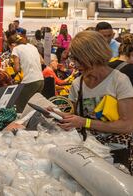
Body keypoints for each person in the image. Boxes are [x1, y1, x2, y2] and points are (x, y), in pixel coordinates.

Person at [55, 31, 133, 172]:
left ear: (92, 56)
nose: (74, 64)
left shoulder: (119, 81)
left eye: (78, 59)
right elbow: (74, 118)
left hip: (115, 154)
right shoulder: (77, 84)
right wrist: (57, 114)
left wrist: (86, 122)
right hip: (86, 153)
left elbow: (127, 125)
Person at [9, 34, 44, 112]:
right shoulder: (32, 46)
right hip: (40, 80)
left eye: (10, 47)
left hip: (30, 81)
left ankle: (20, 124)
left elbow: (17, 68)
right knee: (34, 107)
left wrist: (13, 67)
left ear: (12, 45)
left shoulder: (16, 49)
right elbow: (42, 61)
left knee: (20, 107)